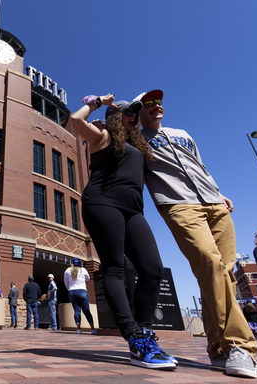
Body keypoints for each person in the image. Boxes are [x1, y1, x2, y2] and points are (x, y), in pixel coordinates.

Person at [135, 89, 257, 378]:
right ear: (138, 111)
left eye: (158, 102)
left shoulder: (183, 133)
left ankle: (218, 350)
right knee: (209, 262)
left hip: (214, 202)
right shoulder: (136, 140)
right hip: (178, 204)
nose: (156, 106)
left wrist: (219, 192)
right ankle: (239, 346)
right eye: (148, 104)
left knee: (222, 274)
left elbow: (200, 166)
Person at [71, 94, 176, 370]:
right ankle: (134, 337)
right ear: (116, 118)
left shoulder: (139, 146)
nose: (133, 117)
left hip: (133, 211)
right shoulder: (102, 137)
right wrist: (99, 102)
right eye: (128, 112)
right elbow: (74, 120)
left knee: (153, 269)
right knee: (114, 268)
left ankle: (144, 332)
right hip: (102, 203)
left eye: (135, 114)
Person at [63, 258, 96, 335]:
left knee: (77, 311)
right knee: (86, 310)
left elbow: (66, 282)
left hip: (72, 291)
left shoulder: (68, 270)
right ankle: (92, 329)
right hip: (82, 291)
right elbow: (88, 278)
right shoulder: (83, 270)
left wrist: (69, 290)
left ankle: (78, 329)